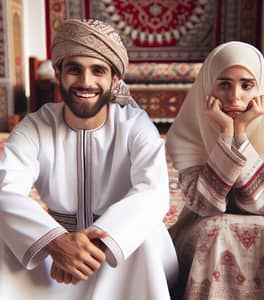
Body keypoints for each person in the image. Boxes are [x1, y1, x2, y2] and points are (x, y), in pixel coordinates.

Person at [0, 19, 178, 300]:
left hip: (118, 253)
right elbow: (5, 190)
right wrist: (56, 242)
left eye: (98, 71)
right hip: (53, 257)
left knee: (143, 233)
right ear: (58, 72)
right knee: (5, 232)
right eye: (74, 69)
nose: (85, 82)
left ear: (114, 79)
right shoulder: (34, 125)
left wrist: (97, 243)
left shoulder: (135, 125)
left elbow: (153, 192)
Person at [166, 41, 264, 299]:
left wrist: (241, 136)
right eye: (224, 84)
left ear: (260, 89)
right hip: (199, 228)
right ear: (208, 85)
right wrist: (226, 134)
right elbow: (205, 205)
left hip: (262, 232)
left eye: (246, 85)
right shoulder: (188, 133)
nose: (235, 96)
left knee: (260, 230)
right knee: (216, 229)